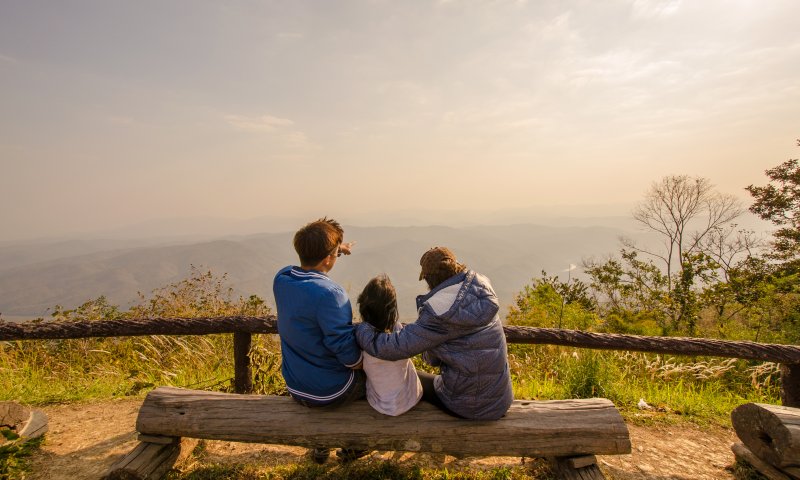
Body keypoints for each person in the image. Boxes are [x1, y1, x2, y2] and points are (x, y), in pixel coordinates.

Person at [355, 247, 513, 420]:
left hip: (471, 406)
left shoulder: (440, 312)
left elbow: (393, 348)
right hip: (500, 398)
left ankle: (358, 443)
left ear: (428, 279)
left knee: (412, 380)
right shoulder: (480, 290)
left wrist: (362, 329)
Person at [273, 217, 365, 463]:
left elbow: (310, 266)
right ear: (328, 258)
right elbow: (345, 350)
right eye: (336, 252)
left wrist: (337, 251)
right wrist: (361, 364)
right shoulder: (331, 295)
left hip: (295, 384)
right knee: (382, 380)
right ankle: (355, 445)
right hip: (329, 391)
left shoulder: (282, 279)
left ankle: (321, 443)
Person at [357, 275, 423, 416]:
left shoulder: (360, 337)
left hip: (380, 404)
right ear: (392, 310)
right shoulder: (399, 332)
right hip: (409, 400)